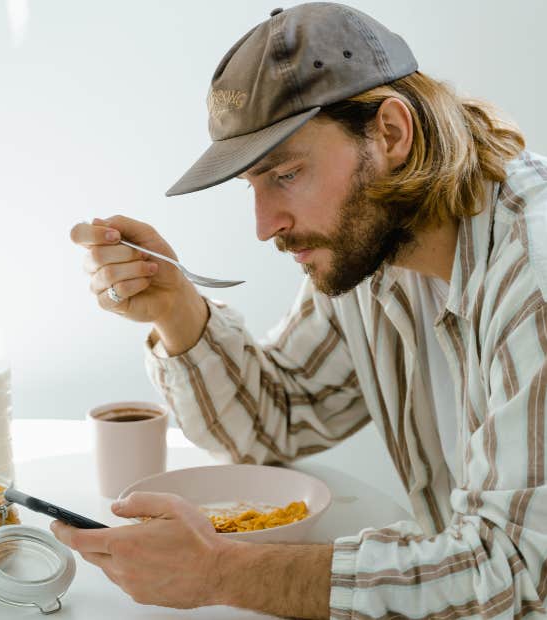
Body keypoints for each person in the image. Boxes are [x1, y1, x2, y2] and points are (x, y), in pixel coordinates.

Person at [58, 3, 547, 618]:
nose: (266, 227)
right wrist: (177, 310)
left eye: (286, 173)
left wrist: (219, 572)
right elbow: (282, 418)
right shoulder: (377, 249)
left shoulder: (532, 277)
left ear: (392, 134)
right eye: (252, 187)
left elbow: (514, 574)